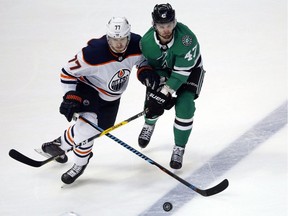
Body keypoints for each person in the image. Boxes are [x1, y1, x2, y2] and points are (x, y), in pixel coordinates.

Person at [41, 17, 156, 184]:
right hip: (89, 90)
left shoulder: (138, 45)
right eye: (114, 39)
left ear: (129, 36)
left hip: (112, 97)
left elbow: (143, 61)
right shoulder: (93, 53)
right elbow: (67, 72)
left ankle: (60, 143)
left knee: (99, 129)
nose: (118, 44)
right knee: (86, 129)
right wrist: (70, 96)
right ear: (108, 37)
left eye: (122, 39)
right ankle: (80, 163)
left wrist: (145, 72)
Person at [137, 3, 206, 169]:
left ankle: (179, 147)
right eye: (161, 26)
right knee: (153, 101)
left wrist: (166, 92)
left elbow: (181, 73)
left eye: (169, 25)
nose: (166, 29)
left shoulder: (187, 39)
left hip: (190, 71)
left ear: (174, 23)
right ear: (154, 25)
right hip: (163, 70)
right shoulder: (147, 42)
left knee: (186, 105)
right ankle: (149, 124)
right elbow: (146, 64)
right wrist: (155, 86)